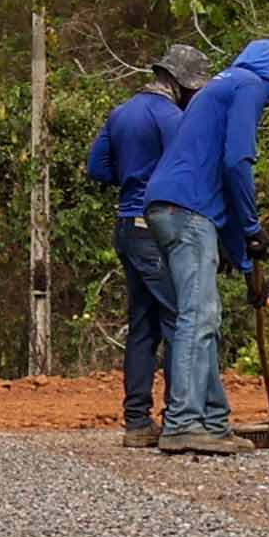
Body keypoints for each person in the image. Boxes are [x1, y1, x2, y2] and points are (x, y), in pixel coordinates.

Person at [135, 33, 269, 446]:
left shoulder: (216, 88)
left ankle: (212, 421)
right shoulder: (250, 85)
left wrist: (245, 262)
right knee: (197, 315)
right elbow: (237, 162)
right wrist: (254, 229)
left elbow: (216, 179)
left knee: (204, 314)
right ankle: (185, 423)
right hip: (186, 211)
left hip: (173, 208)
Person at [84, 58, 193, 444]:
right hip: (155, 227)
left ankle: (137, 421)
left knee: (142, 325)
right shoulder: (170, 118)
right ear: (179, 84)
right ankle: (180, 416)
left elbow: (97, 168)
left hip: (126, 227)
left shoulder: (120, 113)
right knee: (179, 318)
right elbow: (186, 170)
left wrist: (131, 175)